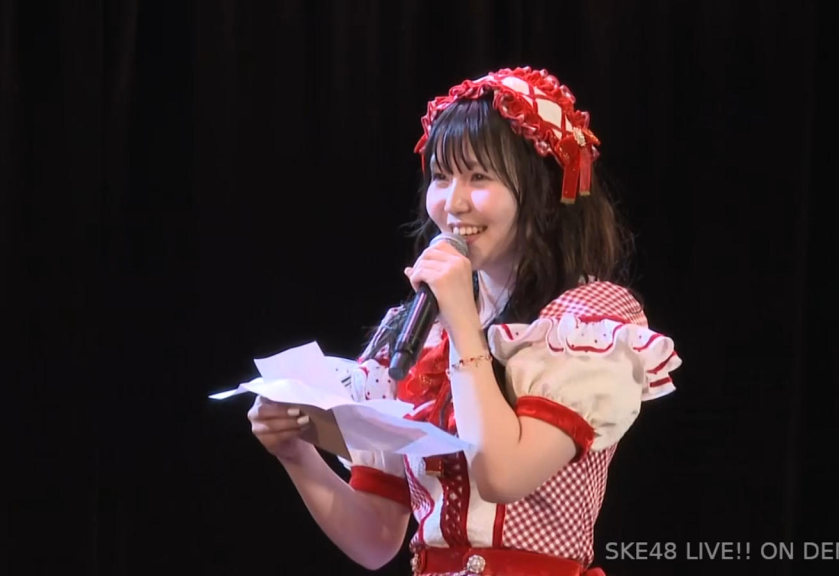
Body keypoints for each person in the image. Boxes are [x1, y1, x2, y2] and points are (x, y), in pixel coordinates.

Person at [247, 66, 681, 575]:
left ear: (542, 189)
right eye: (441, 177)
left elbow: (502, 474)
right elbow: (376, 539)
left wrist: (460, 321)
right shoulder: (418, 330)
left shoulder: (585, 321)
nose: (453, 203)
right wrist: (297, 455)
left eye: (479, 178)